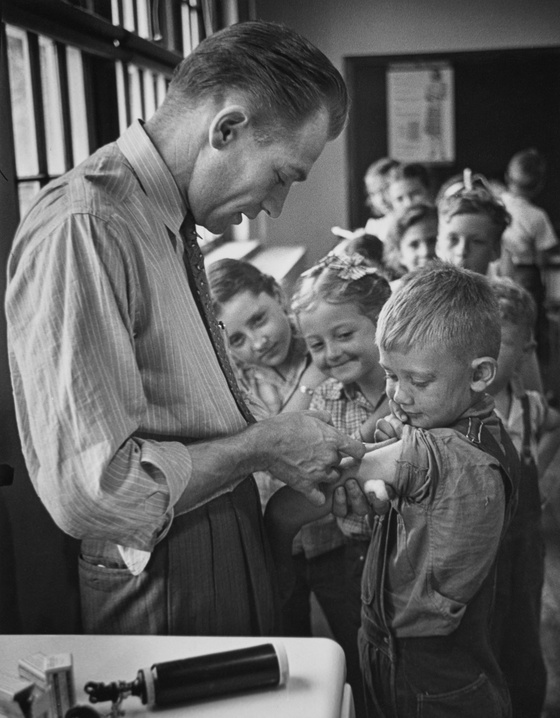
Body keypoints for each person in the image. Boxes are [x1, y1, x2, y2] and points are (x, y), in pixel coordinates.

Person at [5, 21, 366, 636]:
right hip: (163, 582)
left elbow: (188, 406)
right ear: (226, 129)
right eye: (282, 175)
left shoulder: (166, 219)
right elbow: (94, 489)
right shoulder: (87, 227)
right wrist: (264, 445)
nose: (275, 206)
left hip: (223, 548)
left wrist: (288, 452)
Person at [266, 263, 522, 718]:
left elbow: (313, 492)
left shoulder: (436, 449)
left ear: (481, 374)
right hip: (435, 651)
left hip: (425, 667)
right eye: (391, 375)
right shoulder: (483, 428)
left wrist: (274, 529)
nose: (399, 396)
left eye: (419, 381)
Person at [290, 251, 392, 718]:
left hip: (411, 549)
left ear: (382, 322)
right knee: (358, 657)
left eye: (344, 334)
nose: (331, 354)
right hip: (350, 553)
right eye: (315, 344)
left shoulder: (414, 389)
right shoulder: (325, 398)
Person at [488, 277, 560, 718]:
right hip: (481, 549)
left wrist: (535, 457)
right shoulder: (458, 410)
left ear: (526, 349)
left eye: (501, 342)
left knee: (523, 631)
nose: (486, 353)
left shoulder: (530, 406)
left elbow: (554, 424)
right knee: (486, 633)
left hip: (526, 548)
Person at [500, 148, 559, 361]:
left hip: (498, 272)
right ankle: (539, 373)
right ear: (539, 184)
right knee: (533, 325)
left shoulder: (496, 203)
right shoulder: (537, 216)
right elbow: (544, 256)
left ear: (508, 177)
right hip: (526, 276)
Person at [383, 202, 438, 286]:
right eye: (414, 245)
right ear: (399, 253)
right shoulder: (391, 294)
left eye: (432, 241)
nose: (425, 252)